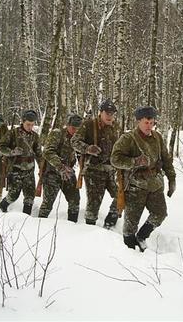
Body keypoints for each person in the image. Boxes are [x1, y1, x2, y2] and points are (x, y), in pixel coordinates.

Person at [110, 106, 176, 251]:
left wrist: (172, 178)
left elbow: (166, 158)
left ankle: (142, 236)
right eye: (146, 122)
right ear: (138, 121)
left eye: (152, 122)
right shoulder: (128, 138)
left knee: (160, 214)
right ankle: (130, 251)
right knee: (130, 225)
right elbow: (115, 159)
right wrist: (135, 162)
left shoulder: (157, 137)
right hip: (135, 187)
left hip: (155, 184)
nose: (149, 126)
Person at [71, 99, 120, 228]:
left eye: (112, 113)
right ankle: (90, 230)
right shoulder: (88, 125)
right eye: (107, 113)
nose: (110, 116)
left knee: (122, 196)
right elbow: (74, 141)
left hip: (111, 170)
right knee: (94, 204)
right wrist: (88, 148)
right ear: (101, 113)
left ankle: (110, 223)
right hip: (94, 170)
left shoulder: (116, 127)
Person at [38, 113, 83, 221]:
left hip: (68, 173)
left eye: (78, 129)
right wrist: (60, 166)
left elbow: (80, 153)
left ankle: (73, 226)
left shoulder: (79, 137)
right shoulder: (57, 134)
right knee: (48, 203)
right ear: (67, 125)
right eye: (73, 128)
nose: (75, 131)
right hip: (52, 173)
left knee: (75, 200)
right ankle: (39, 224)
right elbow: (47, 152)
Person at [0, 110, 43, 215]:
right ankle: (2, 206)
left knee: (30, 196)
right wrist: (12, 152)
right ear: (22, 121)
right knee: (13, 195)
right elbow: (1, 146)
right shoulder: (13, 133)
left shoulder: (35, 136)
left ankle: (26, 217)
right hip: (15, 168)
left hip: (29, 169)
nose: (30, 127)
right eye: (28, 124)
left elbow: (39, 153)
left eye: (32, 124)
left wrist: (41, 166)